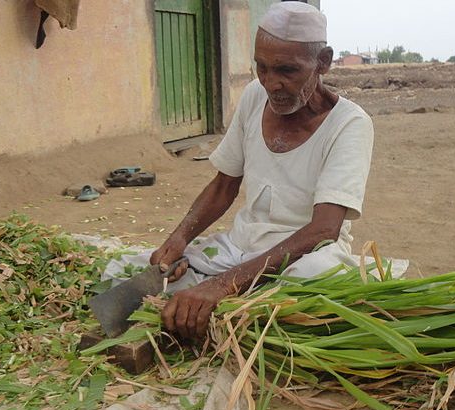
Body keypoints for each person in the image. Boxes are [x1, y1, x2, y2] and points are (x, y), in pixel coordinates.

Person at [103, 2, 374, 340]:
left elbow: (323, 230)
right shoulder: (253, 97)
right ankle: (220, 300)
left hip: (305, 258)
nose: (271, 83)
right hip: (242, 247)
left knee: (307, 295)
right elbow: (223, 186)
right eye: (262, 67)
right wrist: (180, 237)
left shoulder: (349, 124)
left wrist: (224, 284)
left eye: (287, 71)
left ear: (323, 63)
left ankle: (228, 301)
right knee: (125, 274)